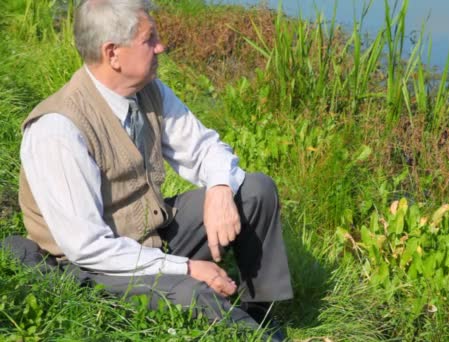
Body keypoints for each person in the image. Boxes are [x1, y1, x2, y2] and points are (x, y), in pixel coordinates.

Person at [6, 0, 293, 339]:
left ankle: (259, 309)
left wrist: (219, 189)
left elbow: (205, 148)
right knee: (190, 293)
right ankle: (249, 334)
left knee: (254, 190)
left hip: (152, 233)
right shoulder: (58, 131)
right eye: (149, 39)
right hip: (95, 266)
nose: (162, 46)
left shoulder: (149, 91)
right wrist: (186, 267)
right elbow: (88, 247)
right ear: (112, 53)